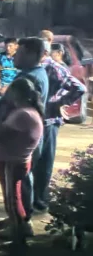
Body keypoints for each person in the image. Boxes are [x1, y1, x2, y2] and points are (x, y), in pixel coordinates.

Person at [0, 77, 44, 256]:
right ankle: (16, 242)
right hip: (12, 162)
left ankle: (18, 248)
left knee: (14, 206)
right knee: (13, 203)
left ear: (16, 93)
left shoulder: (23, 114)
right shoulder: (27, 112)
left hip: (12, 163)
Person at [33, 41, 86, 211]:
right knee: (32, 161)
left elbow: (79, 88)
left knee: (44, 162)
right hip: (33, 121)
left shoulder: (55, 68)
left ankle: (40, 199)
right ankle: (31, 197)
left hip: (49, 122)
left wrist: (60, 103)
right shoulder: (34, 69)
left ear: (42, 53)